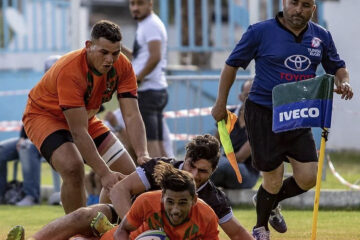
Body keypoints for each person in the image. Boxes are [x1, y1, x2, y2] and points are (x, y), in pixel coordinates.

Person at [211, 0, 353, 239]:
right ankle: (260, 228)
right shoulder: (259, 31)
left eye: (305, 5)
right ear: (284, 3)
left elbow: (338, 67)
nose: (298, 10)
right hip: (264, 113)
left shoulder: (321, 37)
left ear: (313, 8)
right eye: (293, 3)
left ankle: (269, 200)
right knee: (273, 179)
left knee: (308, 177)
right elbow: (231, 66)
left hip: (298, 111)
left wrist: (344, 81)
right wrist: (220, 104)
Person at [5, 135, 253, 240]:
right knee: (86, 214)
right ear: (184, 158)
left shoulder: (213, 200)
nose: (193, 175)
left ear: (212, 172)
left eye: (203, 171)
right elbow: (119, 190)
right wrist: (132, 227)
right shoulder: (160, 167)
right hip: (127, 221)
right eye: (191, 166)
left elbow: (239, 234)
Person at [22, 20, 150, 213]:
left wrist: (142, 154)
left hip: (84, 117)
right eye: (104, 52)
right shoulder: (71, 70)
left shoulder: (123, 66)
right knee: (73, 169)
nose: (109, 60)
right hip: (44, 116)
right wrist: (104, 173)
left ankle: (102, 227)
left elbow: (132, 114)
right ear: (89, 46)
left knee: (129, 175)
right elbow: (78, 132)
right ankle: (76, 231)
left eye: (115, 53)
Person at [108, 161, 219, 239]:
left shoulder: (207, 217)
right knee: (91, 215)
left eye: (182, 203)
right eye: (170, 202)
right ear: (162, 197)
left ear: (194, 199)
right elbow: (121, 231)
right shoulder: (146, 201)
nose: (176, 210)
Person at [121, 0, 169, 158]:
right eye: (132, 4)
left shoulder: (150, 25)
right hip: (155, 90)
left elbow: (155, 56)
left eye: (139, 4)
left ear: (150, 4)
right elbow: (140, 58)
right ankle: (165, 180)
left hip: (149, 90)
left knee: (150, 143)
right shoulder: (147, 24)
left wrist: (136, 79)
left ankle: (157, 181)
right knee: (158, 142)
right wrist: (119, 48)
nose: (135, 8)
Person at [211, 80, 260, 189]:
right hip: (226, 165)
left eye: (256, 95)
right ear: (240, 97)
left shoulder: (261, 121)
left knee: (220, 166)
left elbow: (240, 157)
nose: (252, 99)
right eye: (248, 95)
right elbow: (214, 145)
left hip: (247, 173)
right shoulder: (228, 115)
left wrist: (214, 162)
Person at [0, 127, 41, 206]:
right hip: (27, 139)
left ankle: (32, 197)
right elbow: (26, 123)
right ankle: (2, 195)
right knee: (1, 150)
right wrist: (22, 137)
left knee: (25, 146)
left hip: (45, 140)